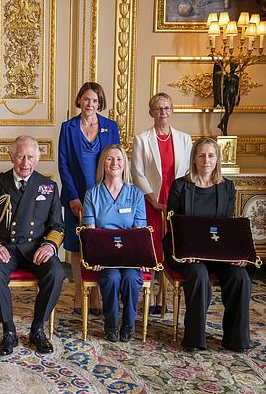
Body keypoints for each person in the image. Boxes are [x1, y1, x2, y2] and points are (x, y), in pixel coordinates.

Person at [0, 135, 65, 356]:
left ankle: (37, 329)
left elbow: (58, 226)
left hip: (35, 249)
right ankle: (9, 331)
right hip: (5, 247)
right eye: (20, 156)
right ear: (11, 157)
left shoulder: (49, 186)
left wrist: (49, 246)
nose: (25, 162)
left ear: (37, 159)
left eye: (30, 157)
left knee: (57, 271)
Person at [163, 137, 251, 352]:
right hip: (184, 252)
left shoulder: (227, 187)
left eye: (211, 155)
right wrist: (185, 251)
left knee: (241, 277)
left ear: (217, 159)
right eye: (201, 155)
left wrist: (237, 254)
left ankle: (235, 340)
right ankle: (194, 339)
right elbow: (173, 225)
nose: (206, 160)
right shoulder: (180, 186)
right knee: (199, 275)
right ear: (194, 159)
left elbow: (228, 227)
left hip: (217, 253)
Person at [58, 82, 121, 316]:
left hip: (105, 196)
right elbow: (63, 164)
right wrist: (73, 197)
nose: (90, 104)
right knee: (77, 245)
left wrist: (112, 194)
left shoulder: (110, 127)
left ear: (100, 103)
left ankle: (99, 293)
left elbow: (116, 159)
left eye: (95, 101)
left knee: (101, 242)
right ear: (79, 101)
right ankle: (80, 292)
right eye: (86, 99)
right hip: (77, 195)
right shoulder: (68, 127)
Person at [131, 93, 192, 314]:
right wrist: (153, 200)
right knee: (153, 247)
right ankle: (149, 293)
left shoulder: (185, 139)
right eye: (158, 109)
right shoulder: (142, 139)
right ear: (151, 113)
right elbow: (137, 173)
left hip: (176, 202)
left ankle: (163, 296)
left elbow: (187, 173)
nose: (163, 113)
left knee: (172, 248)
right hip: (151, 202)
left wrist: (176, 202)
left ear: (172, 111)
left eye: (166, 108)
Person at [81, 144, 148, 342]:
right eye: (109, 159)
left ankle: (128, 324)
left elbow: (139, 232)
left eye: (119, 159)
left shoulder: (135, 194)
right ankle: (111, 323)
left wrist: (141, 258)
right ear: (103, 163)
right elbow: (90, 232)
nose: (114, 163)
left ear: (124, 164)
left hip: (129, 257)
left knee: (130, 279)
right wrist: (95, 257)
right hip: (105, 257)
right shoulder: (92, 194)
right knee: (111, 279)